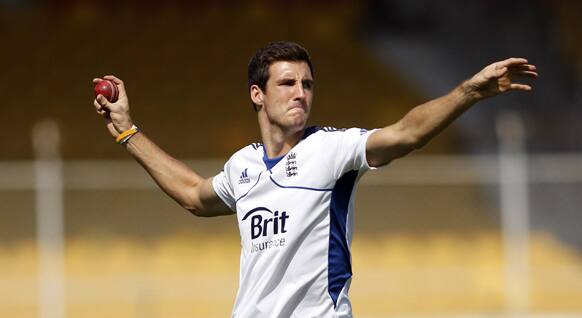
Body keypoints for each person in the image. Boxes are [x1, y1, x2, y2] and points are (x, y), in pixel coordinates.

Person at [92, 41, 537, 317]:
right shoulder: (242, 165)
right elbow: (193, 194)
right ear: (257, 94)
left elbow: (407, 132)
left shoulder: (331, 149)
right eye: (286, 84)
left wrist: (469, 92)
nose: (300, 92)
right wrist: (128, 132)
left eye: (307, 83)